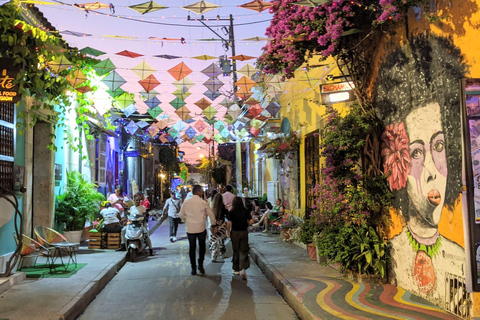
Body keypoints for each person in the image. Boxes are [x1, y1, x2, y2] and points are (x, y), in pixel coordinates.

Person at [179, 185, 216, 275]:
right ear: (198, 192)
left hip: (190, 229)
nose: (203, 193)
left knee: (192, 248)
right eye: (202, 191)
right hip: (201, 228)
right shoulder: (203, 202)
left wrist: (186, 220)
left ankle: (193, 268)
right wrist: (213, 225)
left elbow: (180, 215)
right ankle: (200, 265)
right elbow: (211, 215)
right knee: (202, 248)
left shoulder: (186, 202)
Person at [227, 197, 253, 280]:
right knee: (243, 249)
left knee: (236, 250)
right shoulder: (245, 210)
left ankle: (236, 269)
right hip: (244, 232)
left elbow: (229, 223)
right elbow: (251, 221)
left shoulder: (231, 211)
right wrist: (248, 224)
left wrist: (228, 231)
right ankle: (243, 268)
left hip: (235, 232)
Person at [209, 193, 228, 262]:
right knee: (221, 240)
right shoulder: (223, 207)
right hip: (222, 225)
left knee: (214, 240)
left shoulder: (212, 207)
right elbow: (228, 215)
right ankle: (222, 254)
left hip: (214, 225)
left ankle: (214, 255)